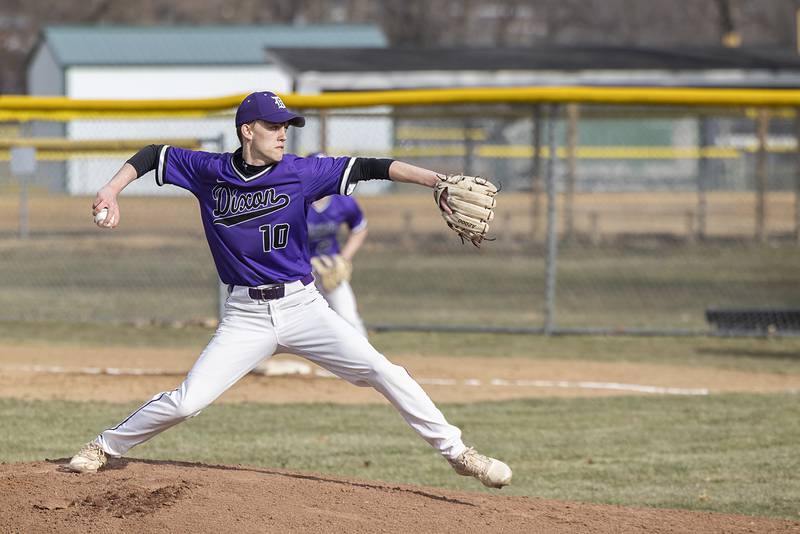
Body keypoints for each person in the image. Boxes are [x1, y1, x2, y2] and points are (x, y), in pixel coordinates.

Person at [68, 91, 512, 489]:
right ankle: (103, 446)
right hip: (245, 315)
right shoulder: (210, 171)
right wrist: (111, 189)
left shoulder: (301, 173)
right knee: (187, 403)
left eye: (287, 127)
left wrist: (436, 181)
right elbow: (152, 155)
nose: (283, 135)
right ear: (247, 130)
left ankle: (459, 454)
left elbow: (372, 166)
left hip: (303, 307)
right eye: (274, 126)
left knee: (385, 372)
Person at [306, 153, 368, 337]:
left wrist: (343, 258)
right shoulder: (296, 201)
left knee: (348, 317)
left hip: (330, 269)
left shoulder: (342, 201)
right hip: (298, 271)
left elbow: (359, 228)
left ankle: (364, 364)